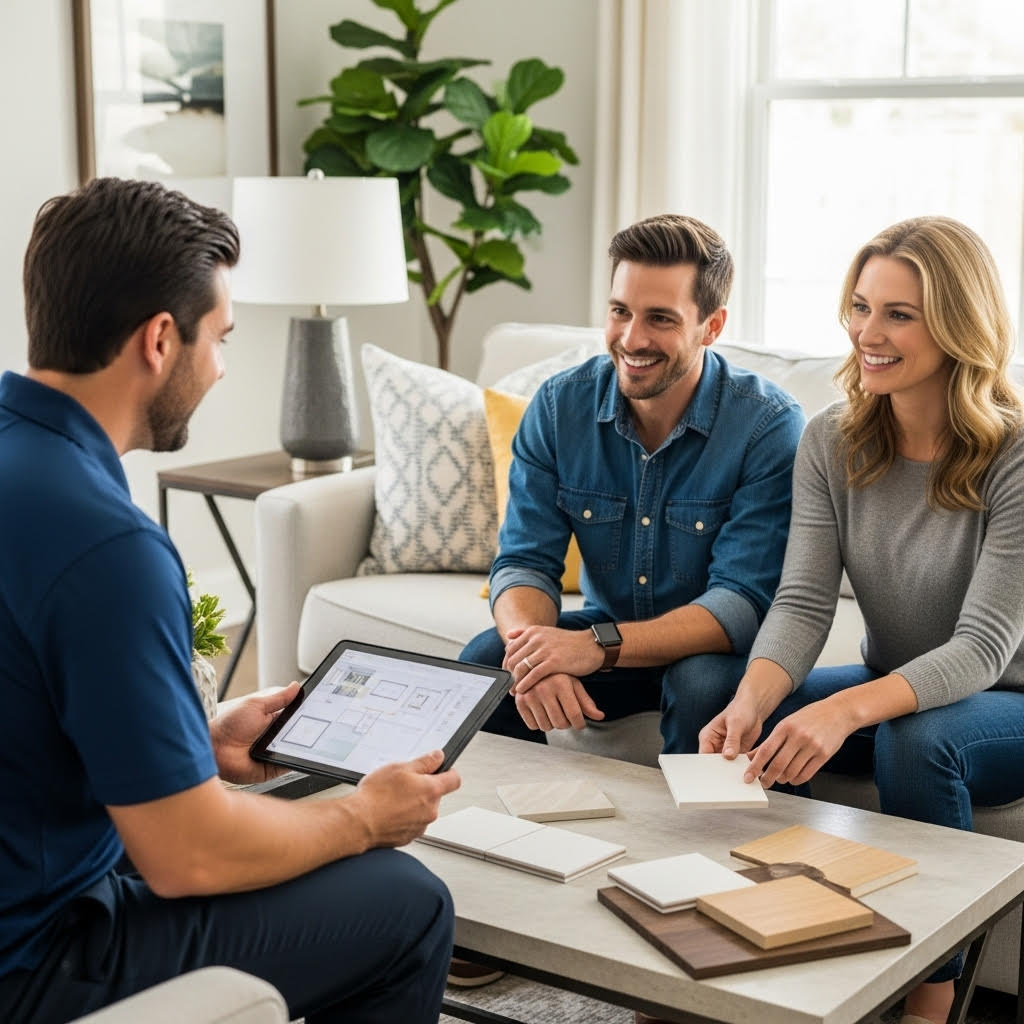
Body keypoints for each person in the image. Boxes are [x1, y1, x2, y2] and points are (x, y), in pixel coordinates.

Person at [0, 177, 460, 1024]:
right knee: (405, 896)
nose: (219, 366)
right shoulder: (110, 548)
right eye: (221, 337)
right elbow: (188, 858)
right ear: (160, 339)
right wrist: (363, 817)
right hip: (32, 961)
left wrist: (197, 746)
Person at [697, 215, 1024, 1024]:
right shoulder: (832, 441)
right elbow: (803, 602)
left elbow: (983, 649)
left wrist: (839, 711)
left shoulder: (1014, 454)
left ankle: (933, 993)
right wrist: (750, 702)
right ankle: (738, 939)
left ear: (958, 324)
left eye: (898, 314)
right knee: (731, 699)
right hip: (896, 680)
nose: (866, 334)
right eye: (859, 306)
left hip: (1007, 700)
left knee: (921, 738)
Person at [461, 214, 805, 753]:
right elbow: (525, 562)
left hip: (712, 650)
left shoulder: (767, 425)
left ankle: (699, 839)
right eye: (620, 311)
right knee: (487, 662)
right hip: (613, 629)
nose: (631, 338)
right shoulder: (558, 407)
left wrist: (594, 648)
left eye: (661, 319)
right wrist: (535, 654)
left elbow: (739, 604)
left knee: (702, 686)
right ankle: (515, 831)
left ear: (711, 326)